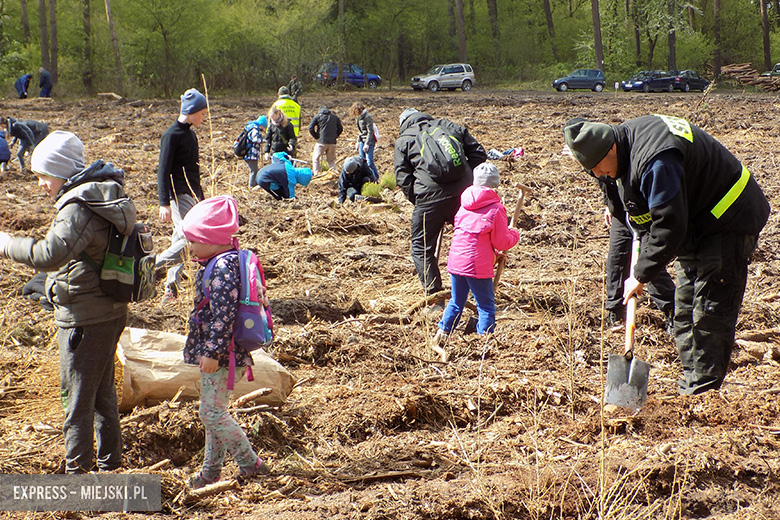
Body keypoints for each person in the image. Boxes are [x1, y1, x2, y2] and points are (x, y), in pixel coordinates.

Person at [563, 114, 770, 395]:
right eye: (592, 171)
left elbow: (669, 224)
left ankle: (703, 397)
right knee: (684, 310)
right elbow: (627, 201)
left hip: (728, 217)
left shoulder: (656, 160)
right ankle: (691, 384)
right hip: (695, 222)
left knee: (709, 311)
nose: (599, 175)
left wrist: (640, 274)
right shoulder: (616, 149)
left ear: (610, 149)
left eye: (599, 168)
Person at [0, 131, 137, 473]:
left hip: (84, 317)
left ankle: (78, 480)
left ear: (61, 172)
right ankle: (110, 467)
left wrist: (6, 244)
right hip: (109, 309)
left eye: (44, 175)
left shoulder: (79, 205)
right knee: (102, 393)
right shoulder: (106, 194)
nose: (41, 184)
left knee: (75, 400)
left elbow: (51, 254)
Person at [180, 195, 270, 489]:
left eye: (194, 240)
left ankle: (250, 463)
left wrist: (212, 352)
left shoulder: (220, 268)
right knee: (212, 412)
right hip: (224, 351)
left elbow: (223, 315)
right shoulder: (221, 261)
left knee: (211, 413)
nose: (190, 246)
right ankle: (211, 471)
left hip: (222, 353)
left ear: (212, 238)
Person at [394, 107, 487, 298]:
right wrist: (467, 180)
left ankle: (434, 296)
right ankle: (478, 289)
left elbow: (402, 177)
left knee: (421, 246)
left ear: (403, 124)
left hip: (429, 199)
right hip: (464, 195)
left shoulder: (403, 140)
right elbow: (478, 154)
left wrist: (419, 199)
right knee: (473, 238)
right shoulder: (448, 125)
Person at [434, 163, 519, 345]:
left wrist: (494, 255)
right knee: (486, 307)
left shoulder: (464, 205)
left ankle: (442, 333)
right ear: (494, 185)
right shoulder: (496, 209)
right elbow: (501, 241)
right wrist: (514, 234)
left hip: (457, 261)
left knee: (457, 301)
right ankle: (484, 344)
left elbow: (474, 238)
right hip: (477, 266)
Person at [600, 176, 676, 333]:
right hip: (622, 213)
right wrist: (610, 204)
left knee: (648, 264)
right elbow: (608, 183)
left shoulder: (630, 158)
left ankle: (673, 312)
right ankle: (616, 313)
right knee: (616, 261)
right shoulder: (593, 163)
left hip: (648, 213)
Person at [155, 88, 208, 304]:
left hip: (192, 195)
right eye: (202, 113)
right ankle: (151, 266)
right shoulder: (171, 135)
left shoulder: (191, 135)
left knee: (180, 237)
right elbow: (163, 170)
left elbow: (194, 172)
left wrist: (202, 200)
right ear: (192, 110)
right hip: (178, 195)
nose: (204, 117)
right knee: (189, 237)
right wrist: (164, 202)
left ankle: (170, 289)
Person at [308, 105, 343, 175]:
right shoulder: (334, 117)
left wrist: (316, 136)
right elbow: (340, 128)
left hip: (321, 142)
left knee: (316, 158)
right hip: (332, 143)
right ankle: (333, 174)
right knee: (331, 161)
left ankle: (317, 174)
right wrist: (335, 136)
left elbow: (310, 127)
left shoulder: (318, 116)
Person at [349, 101, 379, 180]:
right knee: (361, 160)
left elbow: (370, 131)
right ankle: (365, 176)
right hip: (362, 140)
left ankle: (375, 177)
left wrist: (367, 144)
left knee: (369, 161)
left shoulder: (367, 117)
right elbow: (361, 132)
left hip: (369, 140)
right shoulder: (358, 118)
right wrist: (358, 142)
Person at [242, 116, 267, 182]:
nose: (264, 129)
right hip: (251, 154)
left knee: (254, 170)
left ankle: (254, 184)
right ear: (261, 125)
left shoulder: (251, 127)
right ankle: (251, 187)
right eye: (264, 127)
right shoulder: (255, 129)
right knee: (254, 171)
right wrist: (264, 140)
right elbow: (255, 139)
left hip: (250, 154)